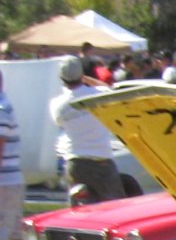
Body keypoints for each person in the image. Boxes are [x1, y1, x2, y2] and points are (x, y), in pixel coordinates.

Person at [49, 56, 125, 202]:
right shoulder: (99, 94)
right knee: (114, 207)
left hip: (75, 161)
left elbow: (59, 122)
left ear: (61, 78)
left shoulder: (56, 104)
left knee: (82, 210)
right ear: (82, 74)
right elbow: (109, 88)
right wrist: (87, 79)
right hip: (102, 160)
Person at [0, 65, 23, 240]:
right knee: (17, 232)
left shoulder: (1, 110)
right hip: (9, 181)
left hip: (4, 183)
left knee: (7, 231)